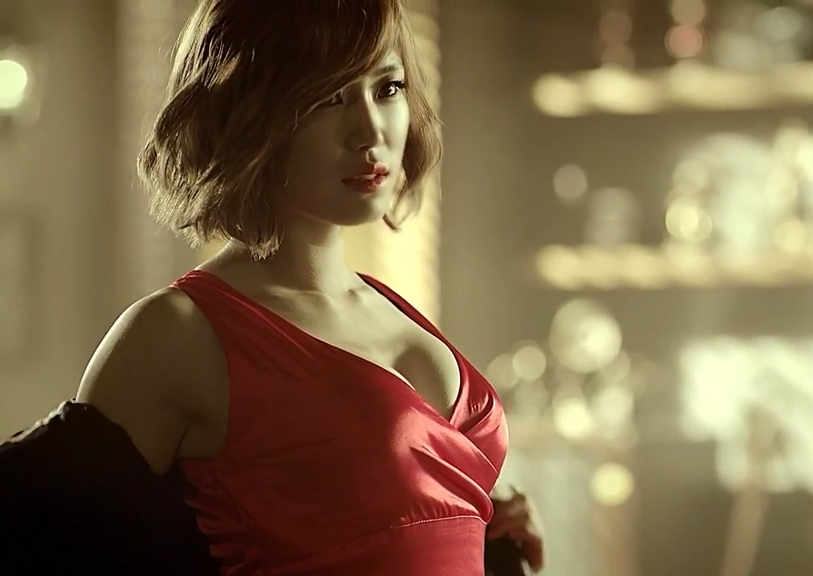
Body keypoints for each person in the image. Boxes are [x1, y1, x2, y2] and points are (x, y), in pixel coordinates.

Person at [3, 0, 544, 574]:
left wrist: (492, 533)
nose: (370, 131)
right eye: (328, 97)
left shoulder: (388, 306)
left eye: (387, 88)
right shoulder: (179, 334)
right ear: (251, 112)